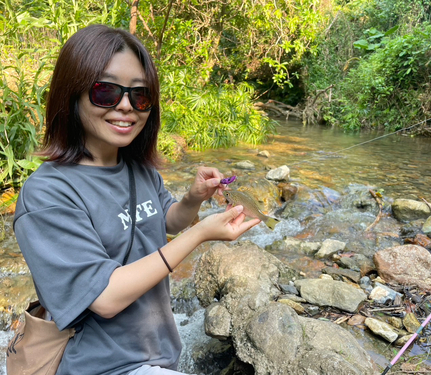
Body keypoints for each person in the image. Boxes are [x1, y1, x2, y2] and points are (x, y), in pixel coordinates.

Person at [13, 24, 260, 375]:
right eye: (105, 92)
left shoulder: (137, 168)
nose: (127, 106)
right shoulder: (47, 195)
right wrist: (201, 233)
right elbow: (105, 298)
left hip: (155, 351)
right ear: (72, 95)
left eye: (140, 95)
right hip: (101, 365)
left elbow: (165, 222)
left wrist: (193, 199)